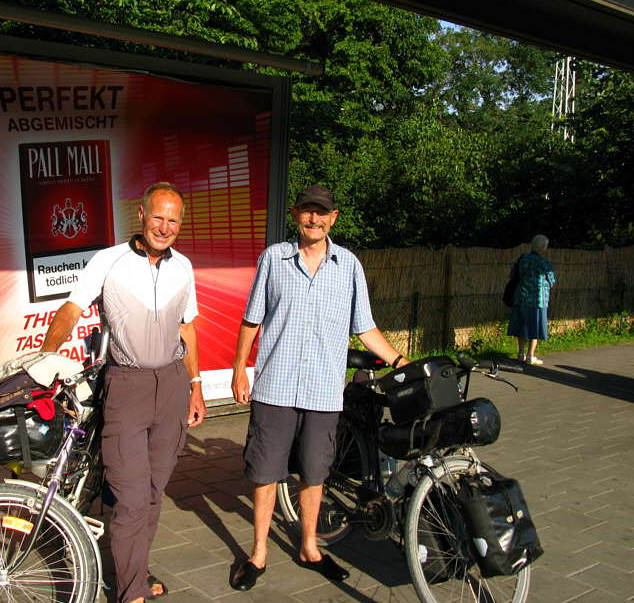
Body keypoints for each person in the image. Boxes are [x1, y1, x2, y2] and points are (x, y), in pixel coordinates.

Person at [229, 184, 410, 591]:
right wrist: (240, 369)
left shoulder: (349, 267)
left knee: (314, 473)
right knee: (265, 472)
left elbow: (365, 327)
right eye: (307, 211)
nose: (314, 219)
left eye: (321, 212)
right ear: (295, 215)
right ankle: (258, 553)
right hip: (275, 387)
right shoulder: (273, 259)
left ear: (333, 218)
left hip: (324, 392)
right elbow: (251, 319)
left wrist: (400, 361)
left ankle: (309, 547)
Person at [40, 182, 207, 603]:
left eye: (173, 220)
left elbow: (187, 328)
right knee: (131, 497)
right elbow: (71, 310)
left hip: (171, 385)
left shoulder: (183, 267)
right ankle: (131, 592)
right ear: (142, 215)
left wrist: (196, 386)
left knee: (152, 493)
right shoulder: (108, 260)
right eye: (158, 217)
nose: (164, 227)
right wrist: (44, 358)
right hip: (127, 386)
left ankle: (135, 569)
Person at [507, 234, 556, 365]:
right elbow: (551, 281)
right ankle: (530, 356)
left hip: (521, 297)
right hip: (538, 300)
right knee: (536, 327)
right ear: (544, 247)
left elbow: (512, 275)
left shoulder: (522, 259)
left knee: (521, 325)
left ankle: (520, 353)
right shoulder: (545, 263)